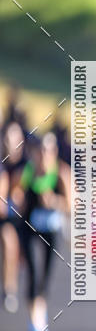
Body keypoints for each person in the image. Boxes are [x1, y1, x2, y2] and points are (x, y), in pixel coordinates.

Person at [14, 133, 70, 331]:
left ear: (54, 152)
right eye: (41, 151)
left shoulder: (61, 173)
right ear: (35, 153)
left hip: (51, 229)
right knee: (32, 272)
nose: (44, 155)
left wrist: (54, 201)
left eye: (49, 150)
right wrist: (18, 198)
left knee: (45, 276)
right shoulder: (26, 172)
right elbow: (15, 192)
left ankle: (41, 316)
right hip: (28, 226)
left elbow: (71, 205)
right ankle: (34, 322)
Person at [1, 121, 27, 313]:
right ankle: (9, 289)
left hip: (23, 218)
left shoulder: (26, 165)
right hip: (5, 218)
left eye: (16, 139)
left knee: (18, 253)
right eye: (9, 139)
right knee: (8, 242)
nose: (12, 143)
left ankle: (10, 287)